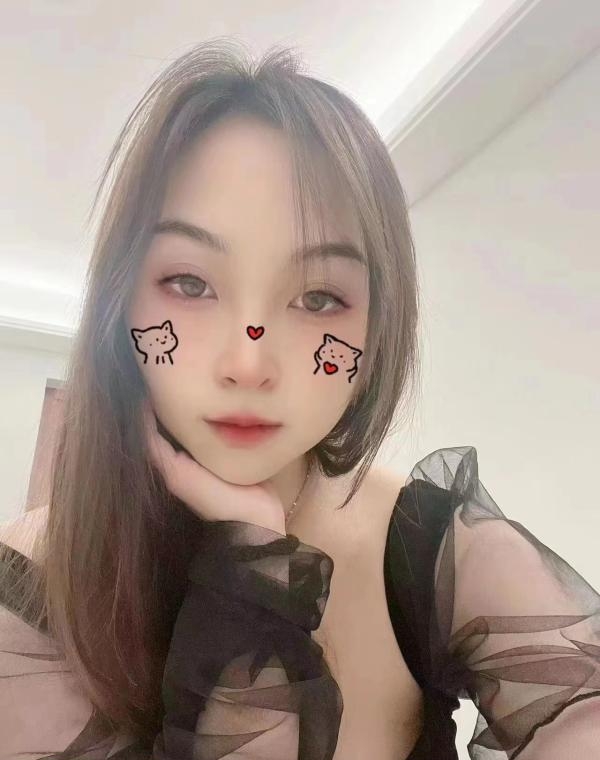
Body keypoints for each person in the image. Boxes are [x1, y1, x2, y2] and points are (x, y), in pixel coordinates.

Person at [0, 38, 599, 760]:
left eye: (318, 298)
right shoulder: (30, 587)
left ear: (378, 325)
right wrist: (252, 561)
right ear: (118, 302)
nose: (249, 364)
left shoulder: (433, 548)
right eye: (189, 283)